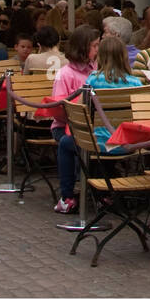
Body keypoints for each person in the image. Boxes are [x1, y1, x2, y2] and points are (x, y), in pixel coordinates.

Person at [49, 27, 99, 215]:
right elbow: (58, 112)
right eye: (94, 46)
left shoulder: (95, 70)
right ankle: (67, 195)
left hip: (91, 127)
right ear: (83, 47)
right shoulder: (65, 74)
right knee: (68, 143)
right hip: (64, 127)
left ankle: (99, 190)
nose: (97, 50)